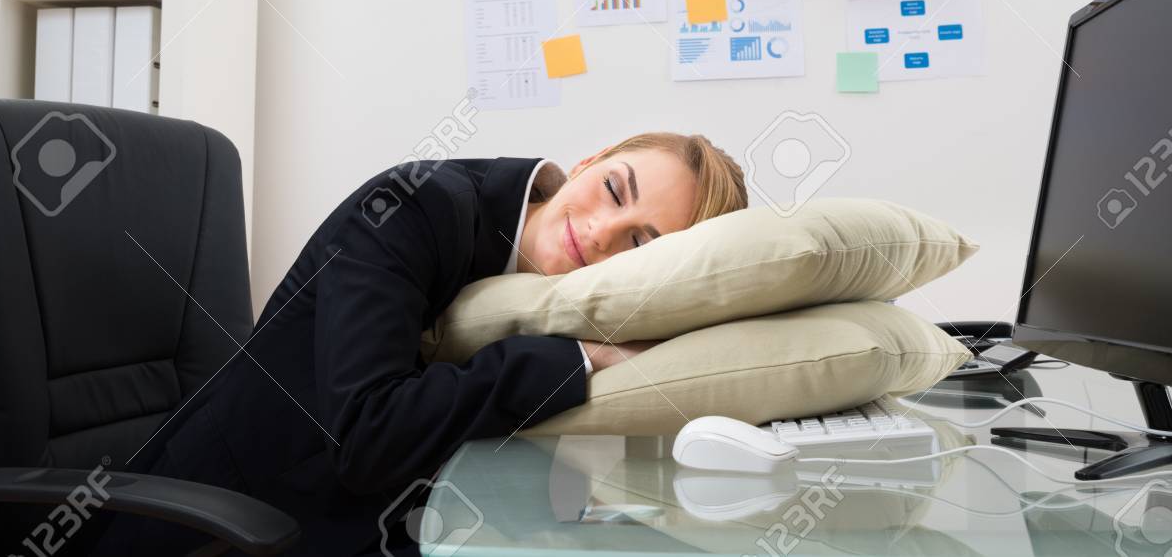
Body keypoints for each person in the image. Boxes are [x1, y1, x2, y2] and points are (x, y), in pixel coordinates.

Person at [99, 132, 747, 556]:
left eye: (641, 243)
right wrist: (580, 359)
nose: (604, 230)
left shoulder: (562, 300)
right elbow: (367, 435)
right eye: (613, 189)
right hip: (215, 531)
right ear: (587, 162)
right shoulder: (413, 207)